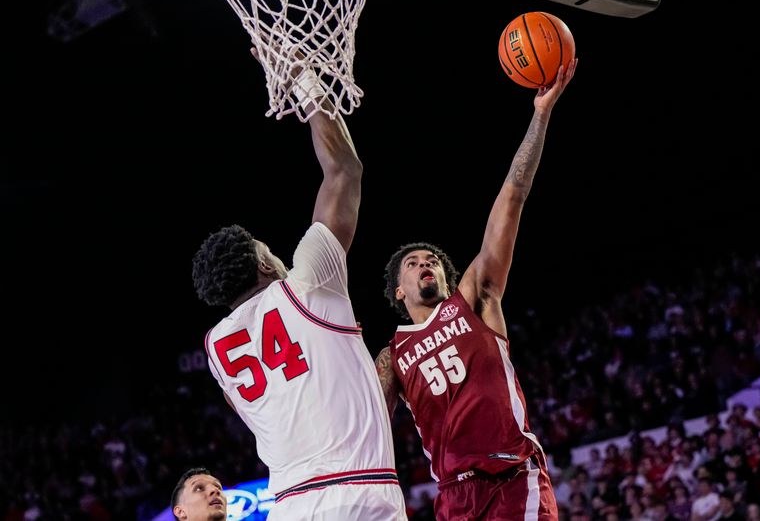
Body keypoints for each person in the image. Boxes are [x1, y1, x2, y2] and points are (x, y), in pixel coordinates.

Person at [191, 60, 405, 519]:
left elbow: (263, 398)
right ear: (264, 261)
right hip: (357, 494)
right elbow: (344, 170)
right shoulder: (306, 281)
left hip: (288, 505)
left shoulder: (215, 347)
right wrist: (303, 79)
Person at [375, 59, 577, 520]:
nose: (425, 263)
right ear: (399, 292)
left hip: (510, 478)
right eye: (413, 262)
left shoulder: (472, 301)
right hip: (451, 497)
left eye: (432, 261)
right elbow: (367, 425)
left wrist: (540, 115)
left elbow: (514, 193)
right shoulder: (391, 355)